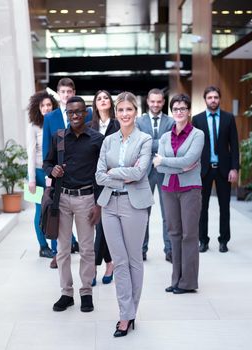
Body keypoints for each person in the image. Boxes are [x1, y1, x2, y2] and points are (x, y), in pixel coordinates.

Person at [96, 91, 154, 337]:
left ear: (135, 112)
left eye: (129, 109)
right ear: (116, 112)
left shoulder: (145, 139)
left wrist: (114, 172)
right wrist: (123, 174)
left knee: (133, 261)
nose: (124, 114)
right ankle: (124, 315)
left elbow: (139, 173)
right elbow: (99, 175)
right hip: (109, 205)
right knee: (119, 261)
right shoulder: (108, 141)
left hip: (135, 206)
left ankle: (131, 314)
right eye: (120, 110)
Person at [43, 96, 104, 313]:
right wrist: (53, 170)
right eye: (71, 113)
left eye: (79, 112)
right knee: (63, 250)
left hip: (87, 198)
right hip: (62, 199)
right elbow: (47, 163)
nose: (75, 116)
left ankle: (86, 292)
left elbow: (102, 174)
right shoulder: (58, 137)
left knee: (87, 249)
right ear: (66, 114)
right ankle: (66, 293)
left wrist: (99, 204)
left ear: (86, 112)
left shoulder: (97, 139)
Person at [153, 93, 204, 294]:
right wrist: (179, 166)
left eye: (183, 108)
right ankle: (176, 279)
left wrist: (165, 161)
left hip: (190, 189)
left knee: (189, 235)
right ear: (171, 112)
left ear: (189, 111)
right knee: (173, 233)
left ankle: (188, 282)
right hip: (168, 189)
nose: (179, 112)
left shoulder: (197, 135)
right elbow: (160, 167)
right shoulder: (165, 136)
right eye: (175, 109)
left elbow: (189, 159)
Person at [192, 86, 239, 253]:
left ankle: (223, 241)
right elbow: (194, 147)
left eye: (216, 97)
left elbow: (234, 145)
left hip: (224, 170)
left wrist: (234, 168)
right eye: (210, 97)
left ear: (219, 99)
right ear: (205, 99)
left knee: (224, 207)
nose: (213, 100)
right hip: (203, 170)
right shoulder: (197, 120)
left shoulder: (228, 118)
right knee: (202, 207)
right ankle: (203, 241)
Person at [42, 78, 81, 268]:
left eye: (69, 91)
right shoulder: (50, 118)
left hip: (79, 171)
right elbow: (45, 149)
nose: (66, 95)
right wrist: (48, 175)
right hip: (58, 173)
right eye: (63, 92)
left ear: (74, 92)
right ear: (59, 94)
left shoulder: (85, 114)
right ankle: (57, 253)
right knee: (56, 213)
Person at [136, 88, 174, 262]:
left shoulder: (171, 121)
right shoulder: (139, 121)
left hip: (165, 170)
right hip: (145, 171)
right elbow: (138, 144)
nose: (156, 104)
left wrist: (150, 143)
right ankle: (142, 249)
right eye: (152, 101)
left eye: (159, 101)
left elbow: (170, 144)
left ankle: (170, 249)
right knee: (144, 212)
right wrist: (159, 143)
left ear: (163, 102)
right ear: (147, 102)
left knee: (168, 212)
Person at [89, 90, 120, 286]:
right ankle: (110, 262)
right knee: (101, 224)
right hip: (91, 179)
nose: (103, 101)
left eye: (106, 98)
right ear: (95, 103)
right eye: (99, 98)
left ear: (110, 103)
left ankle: (93, 266)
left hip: (110, 178)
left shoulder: (117, 125)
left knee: (102, 223)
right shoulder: (87, 126)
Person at [27, 90, 58, 258]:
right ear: (37, 108)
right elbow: (30, 154)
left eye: (49, 105)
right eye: (43, 105)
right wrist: (31, 180)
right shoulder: (33, 126)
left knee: (54, 209)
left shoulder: (55, 123)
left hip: (51, 173)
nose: (46, 108)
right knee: (40, 210)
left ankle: (58, 245)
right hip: (36, 174)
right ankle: (43, 246)